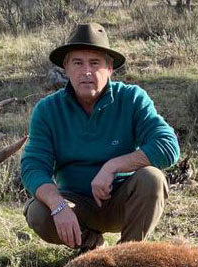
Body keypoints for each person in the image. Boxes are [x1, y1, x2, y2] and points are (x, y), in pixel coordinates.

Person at [21, 23, 179, 251]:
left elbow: (168, 146)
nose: (86, 71)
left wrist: (113, 166)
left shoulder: (132, 98)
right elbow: (33, 167)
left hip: (121, 200)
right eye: (78, 63)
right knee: (38, 212)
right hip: (74, 205)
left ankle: (127, 257)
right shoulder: (48, 110)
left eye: (95, 63)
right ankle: (90, 244)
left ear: (109, 68)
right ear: (66, 67)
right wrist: (58, 205)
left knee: (152, 179)